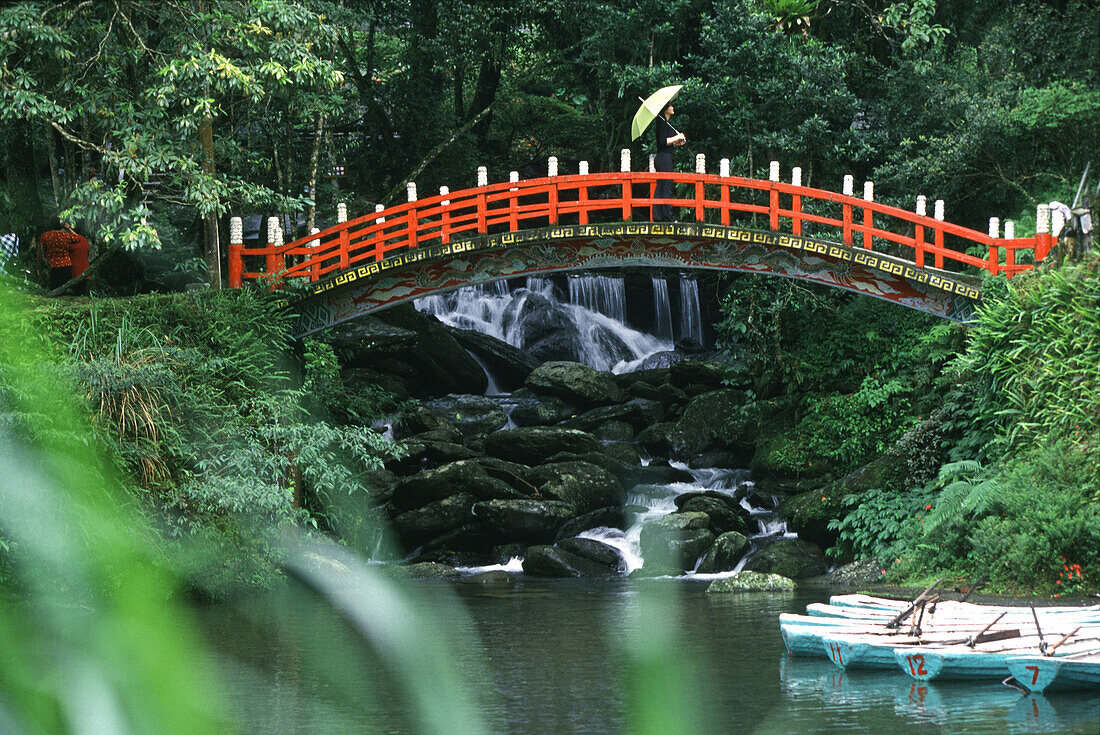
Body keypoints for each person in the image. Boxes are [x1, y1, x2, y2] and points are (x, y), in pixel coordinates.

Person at [653, 102, 686, 222]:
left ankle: (657, 216)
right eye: (671, 106)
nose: (673, 108)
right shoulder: (661, 123)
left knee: (661, 187)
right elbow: (662, 141)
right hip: (664, 158)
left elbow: (668, 144)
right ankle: (668, 217)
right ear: (666, 109)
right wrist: (677, 137)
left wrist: (678, 143)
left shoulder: (666, 124)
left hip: (664, 157)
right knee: (666, 187)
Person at [38, 220, 90, 293]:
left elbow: (40, 253)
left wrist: (39, 266)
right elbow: (77, 238)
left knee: (54, 289)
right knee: (64, 290)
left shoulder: (45, 236)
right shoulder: (66, 236)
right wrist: (68, 229)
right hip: (66, 265)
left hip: (52, 265)